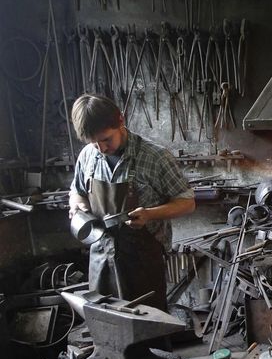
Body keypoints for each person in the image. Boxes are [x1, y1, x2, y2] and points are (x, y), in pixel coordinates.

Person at [69, 94, 195, 311]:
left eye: (106, 139)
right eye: (94, 142)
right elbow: (76, 192)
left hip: (142, 259)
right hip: (101, 256)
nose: (101, 148)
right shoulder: (87, 156)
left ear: (121, 120)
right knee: (105, 318)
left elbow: (187, 202)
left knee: (147, 322)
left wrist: (150, 214)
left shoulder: (155, 157)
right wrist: (77, 205)